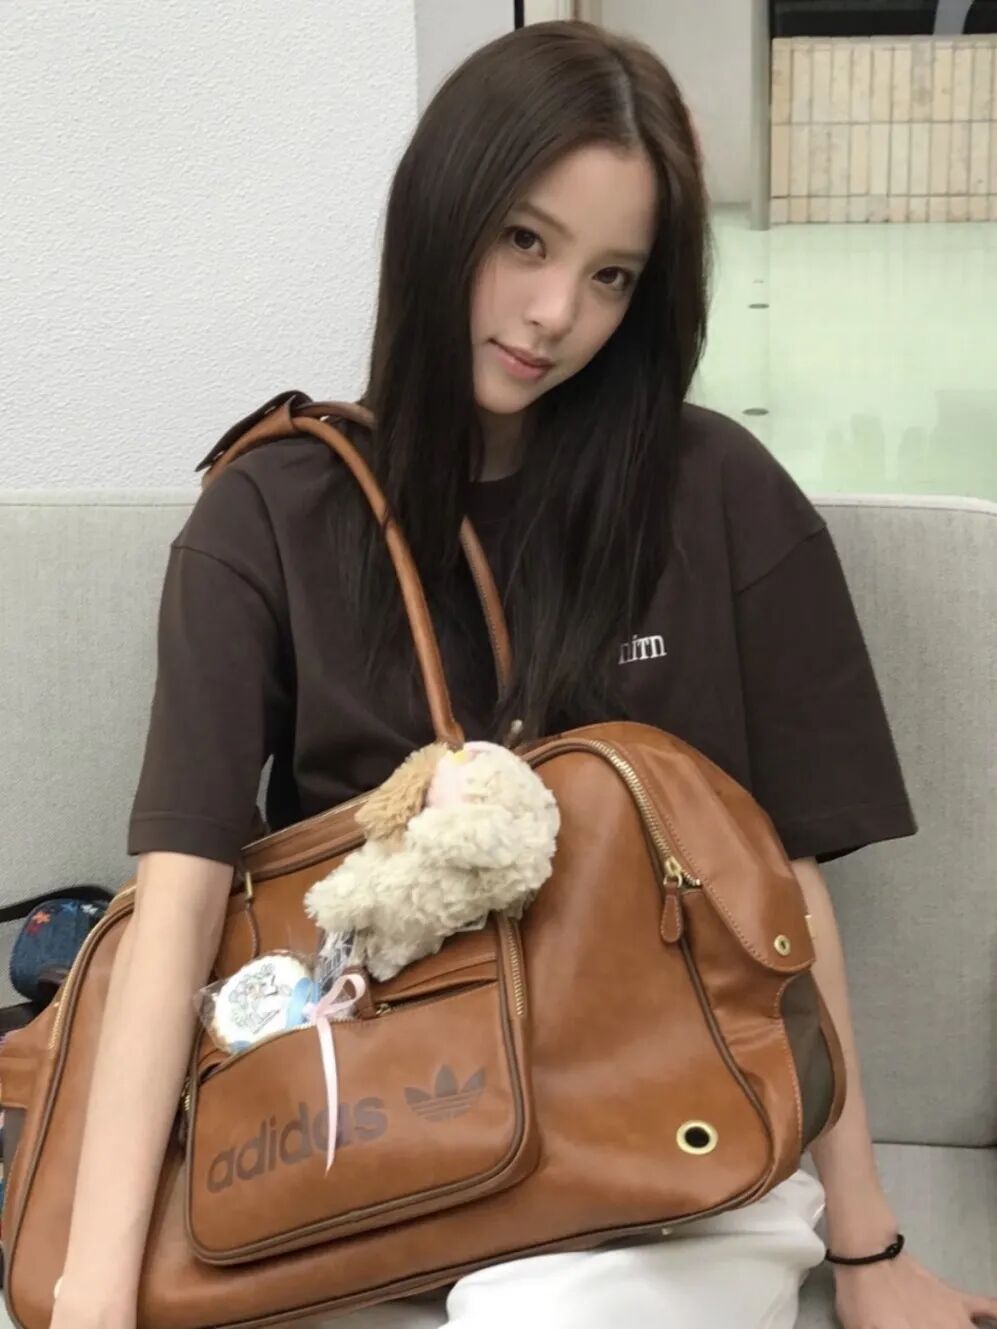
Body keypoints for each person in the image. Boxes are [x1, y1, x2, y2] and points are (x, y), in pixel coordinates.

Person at [49, 19, 997, 1329]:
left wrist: (868, 1246)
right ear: (438, 219)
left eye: (612, 276)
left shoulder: (716, 497)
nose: (557, 314)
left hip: (665, 1130)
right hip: (376, 1121)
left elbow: (783, 906)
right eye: (524, 241)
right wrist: (95, 1298)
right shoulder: (272, 511)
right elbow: (182, 902)